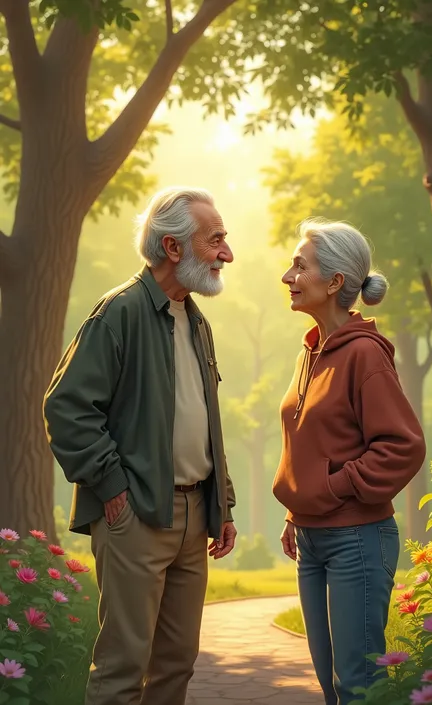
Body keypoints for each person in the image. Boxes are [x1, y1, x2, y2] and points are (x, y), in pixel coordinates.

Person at [43, 187, 237, 705]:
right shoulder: (119, 312)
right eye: (215, 239)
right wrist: (112, 488)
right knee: (123, 668)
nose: (227, 253)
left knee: (177, 665)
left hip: (196, 514)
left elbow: (205, 423)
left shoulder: (196, 321)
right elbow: (66, 408)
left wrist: (223, 504)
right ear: (173, 248)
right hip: (134, 514)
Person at [273, 219, 426, 705]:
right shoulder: (312, 351)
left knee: (358, 686)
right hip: (313, 538)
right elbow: (319, 442)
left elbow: (403, 446)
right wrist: (297, 511)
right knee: (331, 685)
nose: (287, 276)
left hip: (356, 540)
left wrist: (334, 489)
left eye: (300, 266)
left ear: (336, 282)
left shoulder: (364, 354)